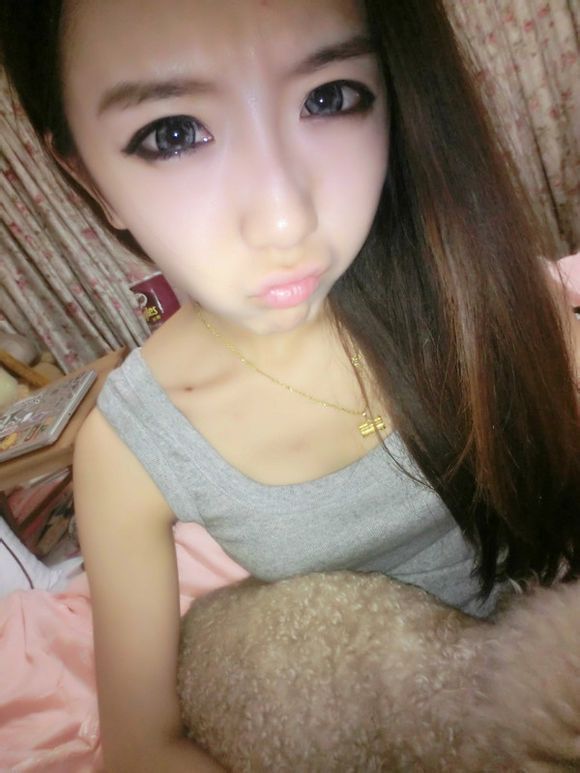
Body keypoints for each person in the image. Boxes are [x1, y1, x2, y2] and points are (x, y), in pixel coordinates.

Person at [1, 0, 579, 770]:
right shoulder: (131, 448)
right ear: (87, 175)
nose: (284, 220)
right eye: (173, 133)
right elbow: (144, 748)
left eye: (329, 97)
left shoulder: (488, 288)